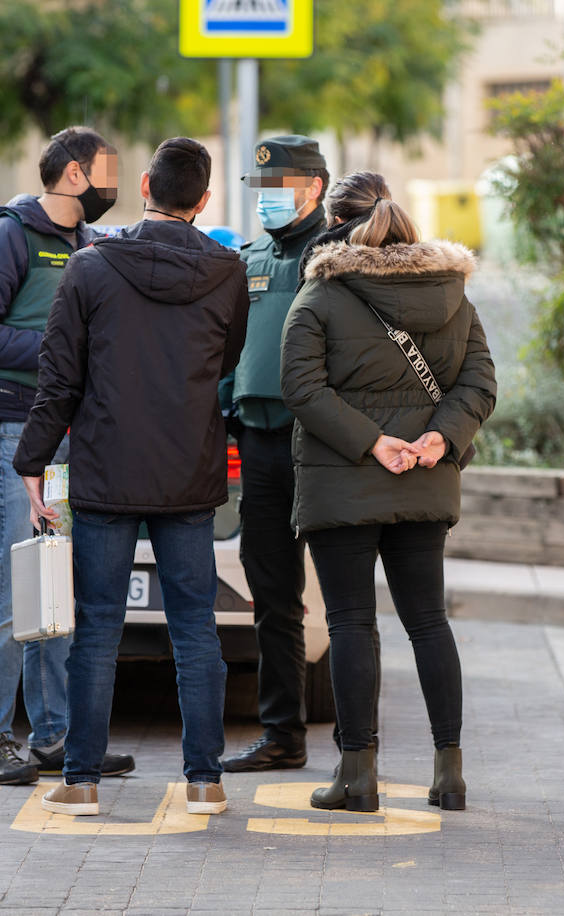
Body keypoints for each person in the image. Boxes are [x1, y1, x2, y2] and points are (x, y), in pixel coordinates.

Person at [13, 137, 250, 817]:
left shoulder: (89, 269)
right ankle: (205, 781)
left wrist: (32, 461)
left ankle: (81, 780)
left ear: (144, 185)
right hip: (189, 474)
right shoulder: (228, 274)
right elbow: (223, 364)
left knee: (96, 629)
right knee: (195, 630)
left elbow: (60, 376)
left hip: (106, 472)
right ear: (204, 200)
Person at [280, 171, 497, 812]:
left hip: (342, 484)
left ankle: (357, 777)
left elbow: (301, 388)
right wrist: (439, 439)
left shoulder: (320, 295)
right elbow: (480, 384)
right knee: (428, 621)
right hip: (426, 479)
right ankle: (450, 773)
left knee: (351, 623)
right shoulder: (454, 294)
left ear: (336, 223)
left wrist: (373, 444)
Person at [0, 126, 134, 786]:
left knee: (56, 588)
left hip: (71, 438)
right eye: (108, 173)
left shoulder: (89, 245)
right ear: (77, 174)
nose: (114, 186)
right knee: (9, 585)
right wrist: (61, 357)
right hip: (15, 435)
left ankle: (55, 736)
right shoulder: (11, 235)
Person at [218, 136, 331, 774]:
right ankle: (282, 734)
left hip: (320, 443)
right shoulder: (251, 254)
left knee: (343, 597)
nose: (264, 201)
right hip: (258, 443)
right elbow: (230, 348)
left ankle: (357, 745)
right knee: (272, 593)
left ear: (312, 187)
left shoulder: (337, 256)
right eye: (258, 189)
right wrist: (224, 410)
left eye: (277, 189)